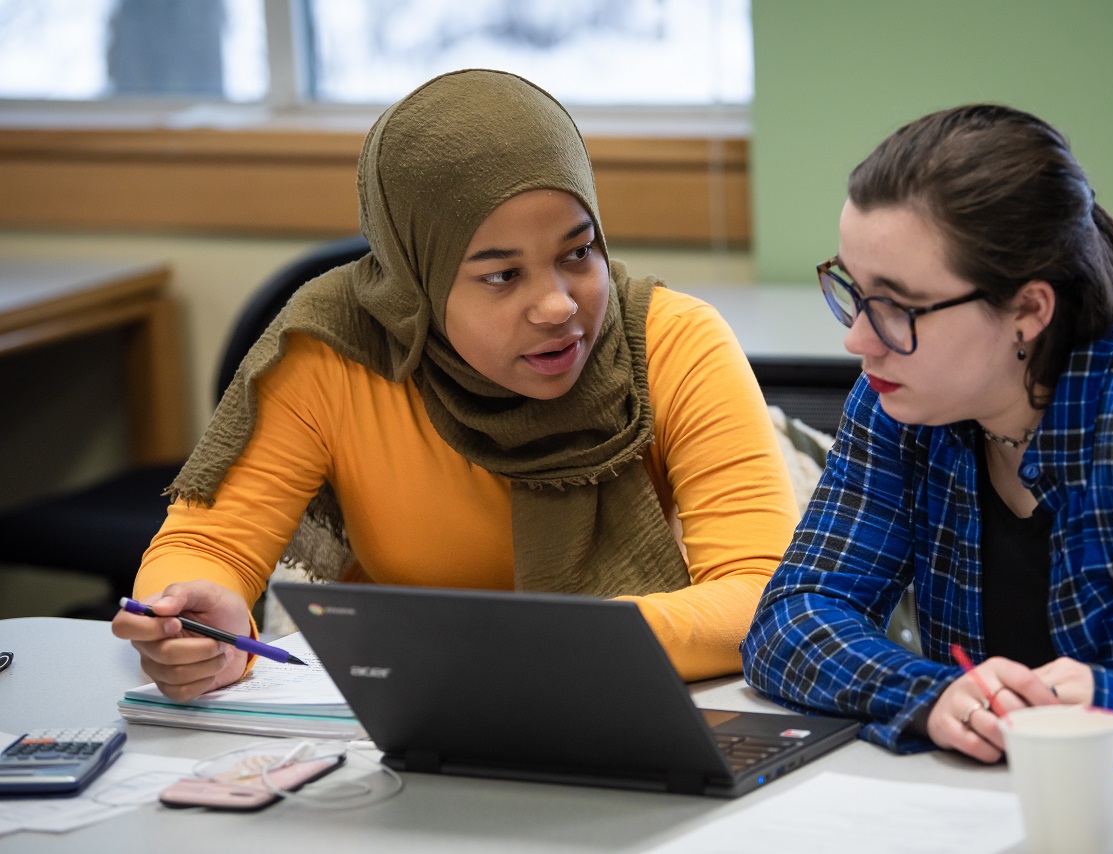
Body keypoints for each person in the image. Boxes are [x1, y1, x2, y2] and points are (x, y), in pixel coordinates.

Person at [113, 69, 799, 701]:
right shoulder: (334, 356)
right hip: (425, 718)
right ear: (420, 283)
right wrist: (189, 621)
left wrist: (532, 644)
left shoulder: (674, 343)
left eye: (578, 252)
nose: (558, 305)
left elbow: (761, 597)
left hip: (645, 704)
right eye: (502, 275)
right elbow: (210, 546)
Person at [742, 104, 1113, 768]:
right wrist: (934, 696)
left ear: (1028, 310)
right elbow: (791, 620)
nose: (857, 339)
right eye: (854, 292)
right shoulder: (901, 407)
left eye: (897, 308)